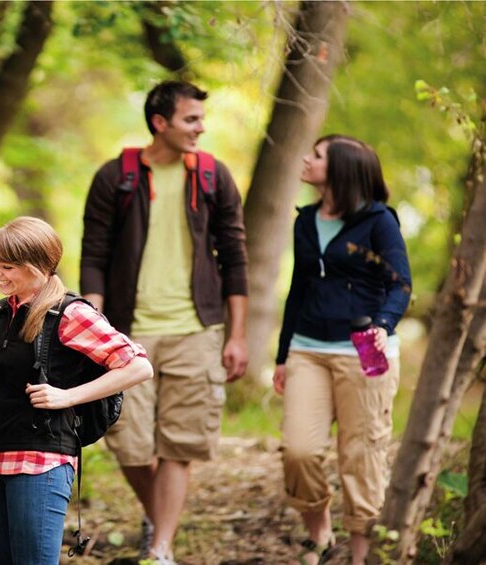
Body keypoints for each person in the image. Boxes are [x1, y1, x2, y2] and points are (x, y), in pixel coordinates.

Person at [79, 80, 249, 564]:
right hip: (128, 331)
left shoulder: (214, 177)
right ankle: (161, 515)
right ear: (161, 122)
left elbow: (236, 256)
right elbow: (94, 255)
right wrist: (93, 324)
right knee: (128, 442)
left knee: (180, 443)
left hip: (197, 330)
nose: (201, 127)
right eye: (191, 119)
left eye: (201, 119)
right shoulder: (116, 177)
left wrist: (236, 334)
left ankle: (161, 548)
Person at [0, 216, 153, 564]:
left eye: (8, 266)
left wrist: (68, 396)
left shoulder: (71, 313)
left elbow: (138, 366)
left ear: (38, 266)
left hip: (40, 464)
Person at [272, 134, 411, 565]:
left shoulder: (378, 221)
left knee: (362, 455)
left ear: (341, 169)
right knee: (299, 451)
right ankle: (320, 536)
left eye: (316, 155)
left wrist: (383, 327)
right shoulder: (305, 219)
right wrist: (282, 355)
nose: (306, 158)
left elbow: (401, 284)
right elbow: (298, 289)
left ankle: (360, 555)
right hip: (307, 350)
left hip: (365, 353)